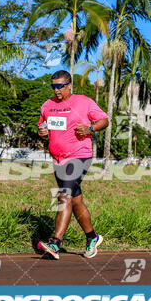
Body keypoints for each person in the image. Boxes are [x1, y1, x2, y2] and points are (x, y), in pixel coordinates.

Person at [37, 70, 109, 259]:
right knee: (75, 199)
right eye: (53, 86)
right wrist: (42, 132)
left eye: (60, 86)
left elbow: (104, 120)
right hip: (58, 158)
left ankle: (55, 243)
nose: (56, 90)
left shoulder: (83, 102)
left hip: (79, 155)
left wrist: (90, 128)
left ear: (69, 85)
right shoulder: (47, 105)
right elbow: (43, 125)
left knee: (64, 195)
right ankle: (92, 237)